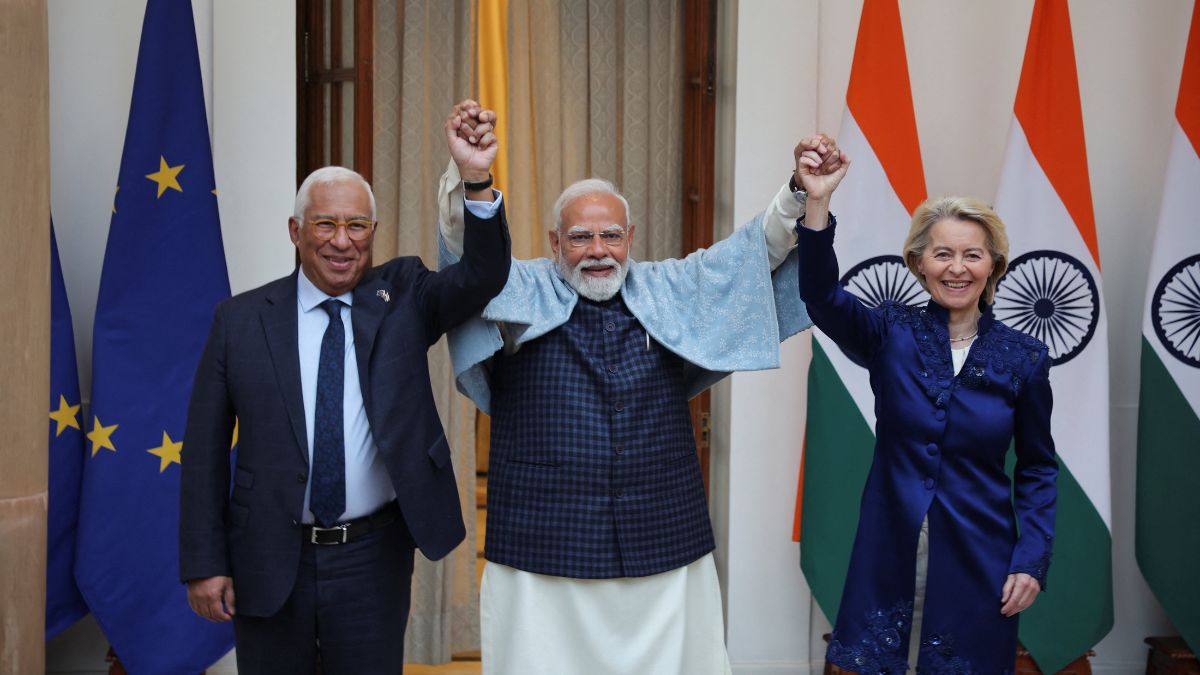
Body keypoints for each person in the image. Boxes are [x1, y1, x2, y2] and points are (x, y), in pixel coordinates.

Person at [440, 108, 841, 673]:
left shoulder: (669, 287)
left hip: (662, 535)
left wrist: (800, 189)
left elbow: (754, 254)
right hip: (542, 541)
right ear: (555, 241)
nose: (598, 250)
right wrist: (474, 180)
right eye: (580, 237)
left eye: (610, 235)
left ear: (630, 237)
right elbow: (465, 255)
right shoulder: (517, 285)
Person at [178, 101, 511, 674]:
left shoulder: (404, 294)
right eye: (325, 224)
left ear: (373, 232)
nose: (342, 241)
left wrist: (476, 178)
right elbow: (204, 453)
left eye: (357, 225)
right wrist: (205, 563)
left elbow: (484, 276)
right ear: (295, 231)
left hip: (371, 557)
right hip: (266, 555)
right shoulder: (239, 321)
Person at [794, 140, 1057, 673]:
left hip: (980, 553)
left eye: (972, 254)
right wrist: (816, 203)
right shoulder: (890, 332)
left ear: (994, 266)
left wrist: (1031, 559)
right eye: (942, 253)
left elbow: (1037, 468)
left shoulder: (1024, 358)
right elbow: (821, 296)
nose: (956, 268)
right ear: (918, 263)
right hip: (889, 542)